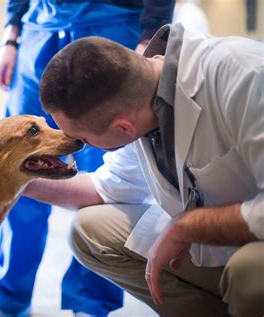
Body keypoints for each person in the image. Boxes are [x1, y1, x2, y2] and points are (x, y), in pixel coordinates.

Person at [21, 23, 263, 316]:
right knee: (91, 230)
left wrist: (187, 226)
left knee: (250, 274)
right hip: (220, 243)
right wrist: (19, 179)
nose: (78, 145)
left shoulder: (246, 75)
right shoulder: (141, 97)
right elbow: (105, 188)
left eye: (83, 139)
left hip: (252, 245)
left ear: (123, 127)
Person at [0, 1, 175, 316]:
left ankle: (91, 301)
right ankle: (8, 295)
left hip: (115, 21)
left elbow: (117, 185)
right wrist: (11, 35)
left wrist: (149, 35)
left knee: (108, 170)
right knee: (20, 158)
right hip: (39, 27)